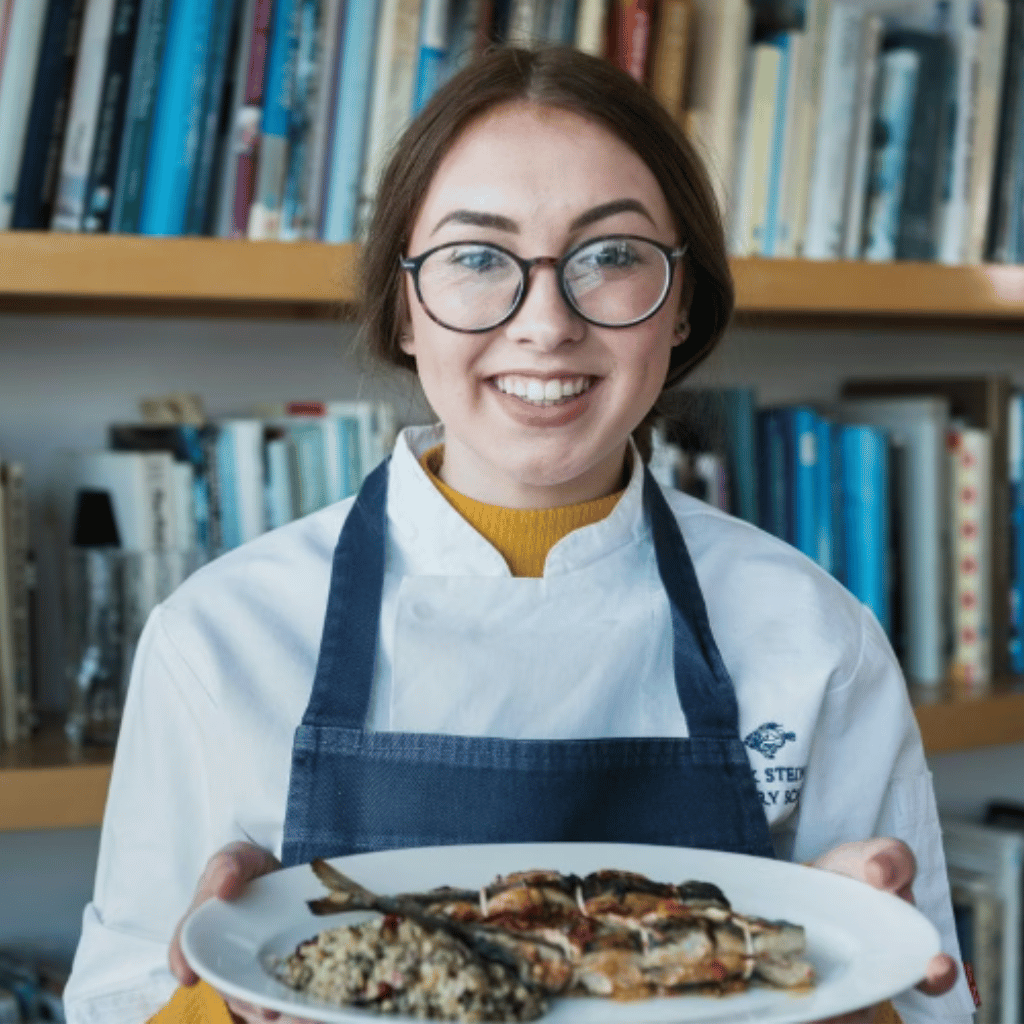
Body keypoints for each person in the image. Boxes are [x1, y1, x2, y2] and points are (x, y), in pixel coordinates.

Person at [63, 46, 973, 1024]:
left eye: (613, 255)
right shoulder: (218, 637)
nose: (544, 324)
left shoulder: (815, 637)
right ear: (407, 305)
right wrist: (227, 1004)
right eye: (477, 256)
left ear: (683, 307)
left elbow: (929, 1007)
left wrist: (847, 988)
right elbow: (119, 1002)